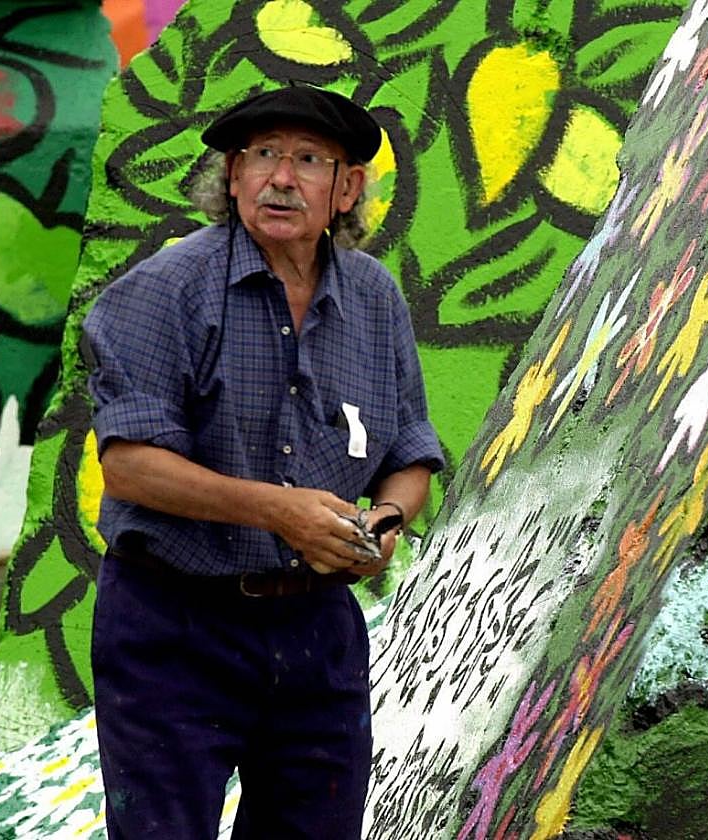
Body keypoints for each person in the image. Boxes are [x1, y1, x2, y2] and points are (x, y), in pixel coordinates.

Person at [82, 85, 444, 839]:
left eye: (309, 158)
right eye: (263, 156)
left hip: (318, 630)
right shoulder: (164, 289)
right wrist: (278, 510)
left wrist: (382, 521)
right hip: (174, 628)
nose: (283, 177)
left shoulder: (376, 299)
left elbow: (412, 451)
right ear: (234, 175)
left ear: (347, 188)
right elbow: (129, 467)